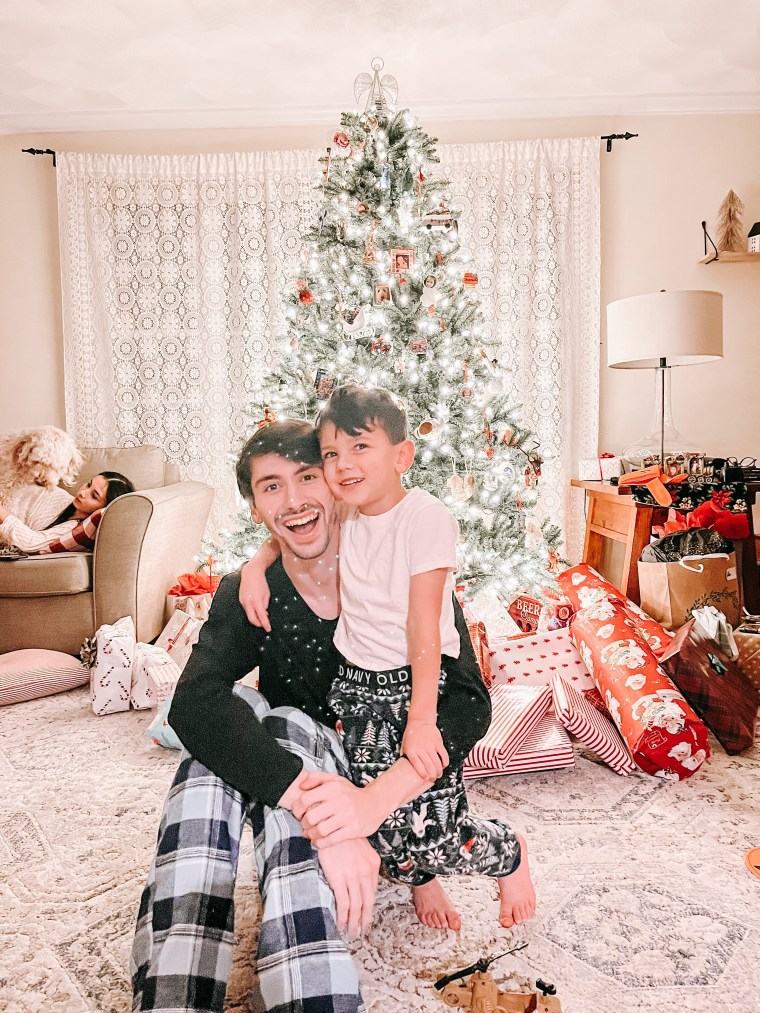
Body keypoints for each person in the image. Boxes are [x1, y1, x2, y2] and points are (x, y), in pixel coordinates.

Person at [131, 420, 492, 1013]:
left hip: (382, 769)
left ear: (335, 483)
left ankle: (408, 877)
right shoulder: (251, 589)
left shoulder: (402, 563)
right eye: (271, 486)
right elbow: (192, 702)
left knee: (280, 725)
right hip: (294, 764)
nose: (294, 499)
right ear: (255, 508)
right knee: (235, 737)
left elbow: (468, 700)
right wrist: (309, 802)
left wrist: (370, 805)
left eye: (306, 478)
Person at [244, 386, 535, 931]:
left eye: (360, 447)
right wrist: (255, 567)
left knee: (435, 834)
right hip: (357, 688)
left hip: (416, 686)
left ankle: (508, 854)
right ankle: (420, 880)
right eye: (331, 454)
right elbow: (286, 523)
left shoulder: (425, 518)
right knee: (378, 829)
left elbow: (423, 623)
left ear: (402, 456)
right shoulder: (346, 509)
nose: (342, 465)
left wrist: (421, 720)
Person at [0, 471, 134, 553]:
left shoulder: (73, 529)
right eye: (88, 484)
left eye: (94, 496)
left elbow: (31, 543)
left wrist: (4, 516)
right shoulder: (61, 498)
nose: (83, 493)